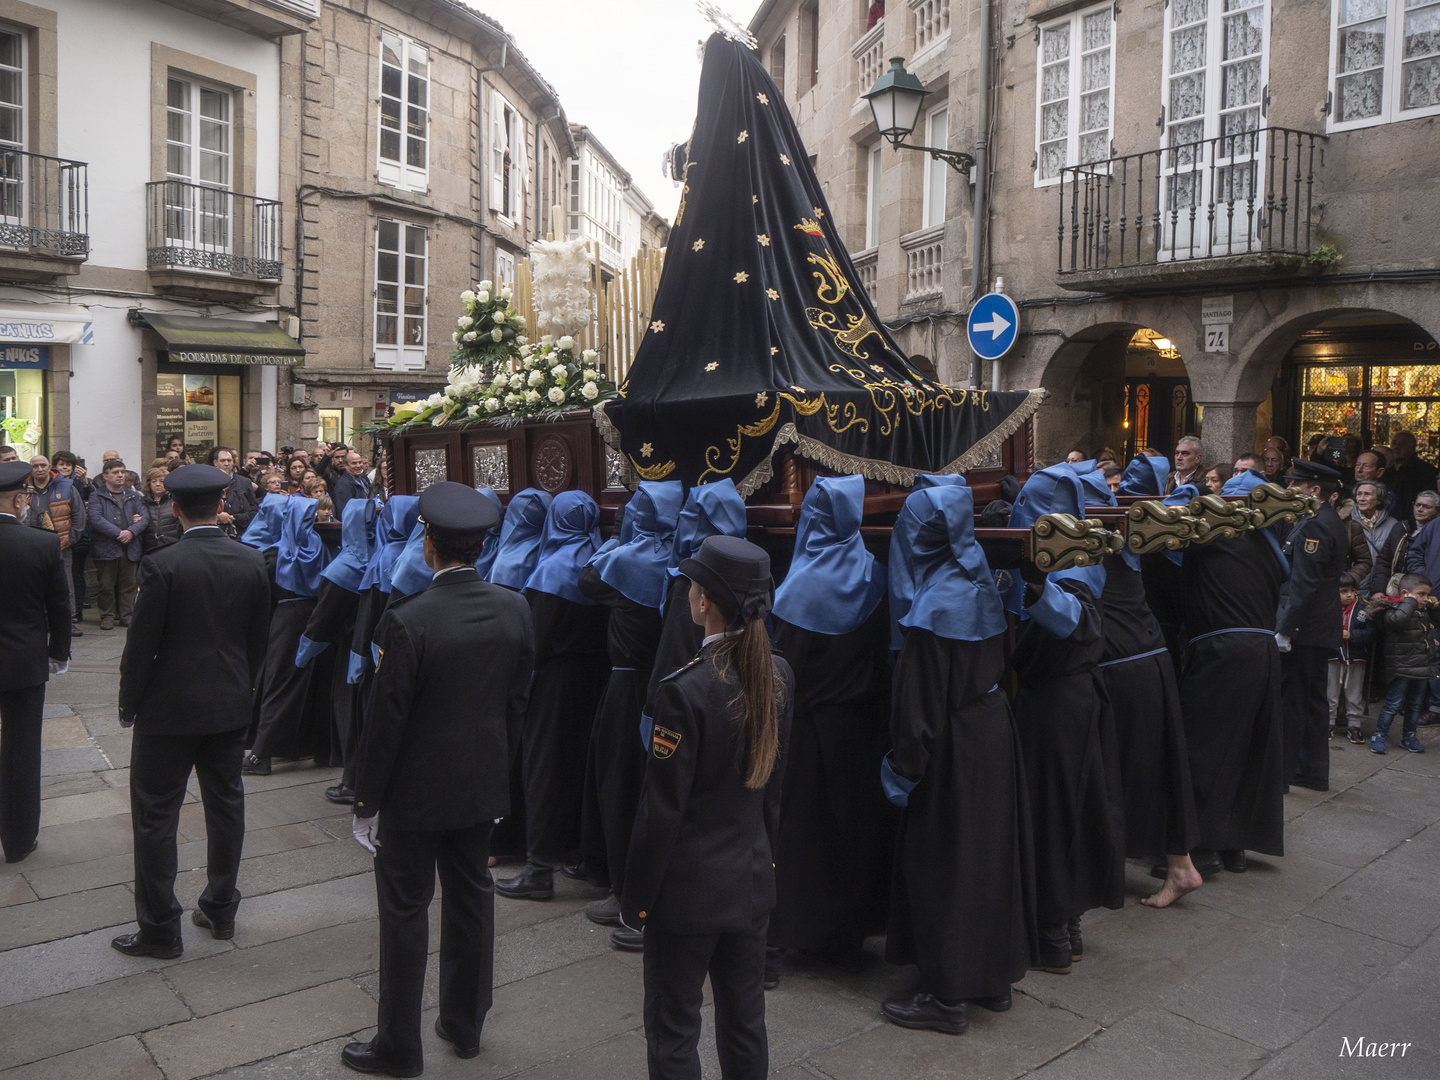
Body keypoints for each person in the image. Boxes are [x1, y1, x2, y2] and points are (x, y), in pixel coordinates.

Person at [343, 482, 534, 1076]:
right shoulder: (514, 606)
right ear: (481, 545)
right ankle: (464, 1022)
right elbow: (516, 702)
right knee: (472, 900)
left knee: (404, 910)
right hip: (479, 782)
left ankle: (399, 1046)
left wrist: (366, 799)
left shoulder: (407, 620)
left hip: (415, 793)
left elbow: (385, 723)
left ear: (428, 545)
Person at [620, 534, 793, 1080]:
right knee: (745, 1026)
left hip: (688, 895)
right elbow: (772, 794)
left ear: (704, 602)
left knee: (673, 1030)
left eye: (694, 584)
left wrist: (636, 901)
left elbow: (661, 813)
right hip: (748, 884)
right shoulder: (778, 674)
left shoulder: (686, 690)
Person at [880, 481, 1034, 1033]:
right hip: (990, 738)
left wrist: (902, 770)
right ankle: (990, 980)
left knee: (945, 866)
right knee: (987, 863)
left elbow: (919, 707)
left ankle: (945, 996)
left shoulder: (936, 604)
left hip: (952, 750)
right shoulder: (979, 579)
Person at [109, 465, 270, 958]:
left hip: (169, 709)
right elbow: (259, 641)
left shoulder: (163, 563)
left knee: (156, 814)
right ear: (222, 503)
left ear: (175, 509)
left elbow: (142, 645)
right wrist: (243, 689)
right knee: (226, 805)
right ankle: (221, 906)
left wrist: (128, 703)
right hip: (227, 704)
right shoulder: (252, 561)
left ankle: (160, 928)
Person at [767, 475, 893, 984]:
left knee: (799, 839)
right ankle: (843, 937)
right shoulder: (874, 573)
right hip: (862, 731)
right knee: (849, 836)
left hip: (813, 734)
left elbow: (785, 670)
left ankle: (777, 943)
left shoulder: (800, 586)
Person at [1007, 465, 1124, 971]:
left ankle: (1052, 931)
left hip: (1057, 707)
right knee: (1066, 813)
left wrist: (1035, 589)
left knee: (1054, 817)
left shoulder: (1073, 567)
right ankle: (1064, 925)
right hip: (1065, 703)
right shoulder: (1074, 557)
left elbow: (1075, 620)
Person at [1083, 464, 1202, 906]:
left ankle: (1114, 875)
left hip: (1128, 668)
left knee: (1119, 778)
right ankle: (1180, 865)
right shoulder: (1119, 529)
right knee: (1162, 768)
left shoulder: (1093, 535)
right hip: (1150, 658)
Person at [575, 482, 684, 947]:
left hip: (627, 686)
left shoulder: (628, 560)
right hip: (665, 683)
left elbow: (587, 579)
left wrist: (621, 537)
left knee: (619, 789)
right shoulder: (680, 564)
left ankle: (623, 889)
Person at [495, 491, 610, 902]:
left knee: (543, 767)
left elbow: (535, 642)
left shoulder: (552, 569)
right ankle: (575, 849)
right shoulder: (600, 560)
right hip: (595, 679)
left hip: (555, 682)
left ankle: (538, 868)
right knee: (579, 767)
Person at [1179, 468, 1287, 873]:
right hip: (1262, 650)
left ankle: (1202, 849)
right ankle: (1235, 846)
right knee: (1249, 748)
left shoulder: (1217, 537)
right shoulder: (1264, 542)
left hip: (1223, 652)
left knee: (1205, 747)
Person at [0, 461, 71, 863]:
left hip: (23, 659)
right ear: (19, 499)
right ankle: (19, 839)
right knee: (21, 752)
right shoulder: (42, 544)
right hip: (25, 660)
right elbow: (59, 606)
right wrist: (58, 652)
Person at [295, 494, 379, 806]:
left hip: (348, 653)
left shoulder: (343, 568)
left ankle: (351, 781)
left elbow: (322, 621)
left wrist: (303, 655)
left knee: (350, 715)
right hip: (376, 651)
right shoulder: (384, 558)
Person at [1276, 458, 1349, 792]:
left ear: (1315, 490)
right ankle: (1314, 768)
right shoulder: (1321, 518)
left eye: (1296, 484)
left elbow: (1304, 583)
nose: (1290, 489)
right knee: (1313, 700)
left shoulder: (1316, 524)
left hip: (1307, 627)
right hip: (1317, 624)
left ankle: (1290, 767)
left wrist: (1286, 629)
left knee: (1295, 700)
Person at [245, 497, 328, 775]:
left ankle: (261, 754)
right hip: (314, 615)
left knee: (278, 683)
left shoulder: (275, 553)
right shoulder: (316, 544)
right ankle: (298, 745)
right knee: (304, 682)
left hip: (285, 618)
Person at [1366, 574, 1435, 754]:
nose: (1425, 599)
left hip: (1422, 666)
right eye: (1421, 594)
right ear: (1405, 593)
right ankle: (1380, 735)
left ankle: (1409, 736)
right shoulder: (1392, 609)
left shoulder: (1424, 611)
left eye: (1427, 595)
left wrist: (1435, 606)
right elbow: (1398, 621)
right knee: (1393, 704)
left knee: (1415, 705)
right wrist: (1410, 602)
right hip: (1401, 666)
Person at [23, 454, 86, 636]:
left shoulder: (66, 486)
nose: (40, 469)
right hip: (32, 545)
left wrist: (71, 539)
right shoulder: (25, 488)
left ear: (49, 466)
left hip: (61, 544)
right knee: (36, 585)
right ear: (31, 469)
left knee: (65, 584)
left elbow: (79, 514)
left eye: (43, 465)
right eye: (35, 466)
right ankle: (42, 620)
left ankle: (69, 621)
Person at [87, 459, 148, 630]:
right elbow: (96, 519)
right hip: (106, 546)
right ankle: (107, 616)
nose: (120, 475)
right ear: (105, 476)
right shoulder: (96, 496)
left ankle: (127, 616)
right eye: (115, 472)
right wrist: (119, 533)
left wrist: (131, 532)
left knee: (128, 584)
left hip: (131, 546)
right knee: (105, 584)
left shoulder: (133, 495)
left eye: (122, 471)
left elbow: (144, 518)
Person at [1329, 574, 1375, 746]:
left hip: (1356, 658)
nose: (1349, 595)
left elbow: (1371, 633)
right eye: (1344, 591)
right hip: (1332, 657)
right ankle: (1328, 723)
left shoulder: (1363, 610)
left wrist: (1352, 635)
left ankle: (1354, 726)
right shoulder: (1328, 609)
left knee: (1355, 695)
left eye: (1352, 591)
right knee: (1330, 694)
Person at [1352, 481, 1404, 596]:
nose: (1362, 498)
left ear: (1379, 500)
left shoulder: (1393, 525)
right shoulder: (1347, 523)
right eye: (1359, 494)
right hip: (1353, 588)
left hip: (1381, 590)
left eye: (1367, 494)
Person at [210, 446, 258, 537]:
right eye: (223, 460)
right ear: (215, 462)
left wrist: (232, 517)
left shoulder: (245, 482)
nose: (226, 464)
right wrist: (217, 516)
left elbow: (253, 508)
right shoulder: (207, 482)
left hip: (239, 533)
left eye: (229, 460)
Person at [1387, 432, 1439, 514]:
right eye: (1394, 443)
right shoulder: (1387, 469)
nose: (1396, 447)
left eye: (1402, 444)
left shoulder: (1425, 471)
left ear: (1412, 447)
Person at [140, 466, 182, 553]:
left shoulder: (175, 501)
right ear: (149, 484)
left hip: (172, 546)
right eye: (154, 481)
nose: (158, 484)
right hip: (149, 547)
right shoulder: (142, 502)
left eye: (161, 481)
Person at [332, 450, 373, 518]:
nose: (358, 466)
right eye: (354, 463)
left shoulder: (364, 478)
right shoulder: (343, 485)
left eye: (360, 462)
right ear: (345, 465)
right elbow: (344, 511)